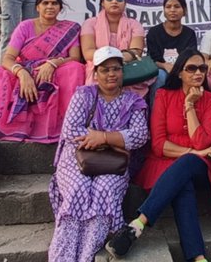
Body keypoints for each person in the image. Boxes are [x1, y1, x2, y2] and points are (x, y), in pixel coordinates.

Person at [106, 47, 211, 262]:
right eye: (191, 68)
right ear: (179, 72)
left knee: (188, 163)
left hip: (201, 165)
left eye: (202, 68)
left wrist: (190, 106)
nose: (198, 73)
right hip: (164, 161)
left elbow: (202, 142)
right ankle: (198, 258)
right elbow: (158, 144)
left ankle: (138, 224)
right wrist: (194, 150)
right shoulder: (164, 95)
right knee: (182, 186)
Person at [46, 46, 148, 262]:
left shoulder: (133, 101)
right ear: (95, 73)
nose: (111, 74)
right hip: (77, 158)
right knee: (77, 189)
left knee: (105, 190)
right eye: (105, 70)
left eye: (116, 69)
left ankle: (86, 254)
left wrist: (102, 138)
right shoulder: (84, 95)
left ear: (122, 72)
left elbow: (140, 135)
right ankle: (63, 257)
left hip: (114, 163)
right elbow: (71, 131)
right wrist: (116, 140)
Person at [0, 0, 85, 144]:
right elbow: (8, 58)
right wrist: (22, 74)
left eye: (54, 3)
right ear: (37, 7)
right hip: (24, 71)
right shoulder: (25, 26)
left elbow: (75, 58)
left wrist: (52, 63)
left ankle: (67, 125)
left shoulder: (70, 29)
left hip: (53, 73)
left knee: (75, 69)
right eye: (45, 3)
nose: (50, 7)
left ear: (60, 8)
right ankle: (0, 126)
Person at [81, 0, 149, 90]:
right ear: (102, 2)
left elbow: (136, 52)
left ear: (125, 3)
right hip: (99, 69)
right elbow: (88, 53)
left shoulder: (134, 25)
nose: (114, 1)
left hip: (127, 69)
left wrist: (115, 63)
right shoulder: (90, 23)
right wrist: (112, 61)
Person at [146, 0, 199, 88]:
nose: (172, 10)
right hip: (162, 69)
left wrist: (179, 69)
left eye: (177, 6)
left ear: (184, 10)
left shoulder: (189, 33)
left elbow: (191, 57)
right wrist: (164, 65)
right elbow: (152, 60)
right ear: (164, 10)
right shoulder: (154, 32)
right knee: (161, 76)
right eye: (168, 7)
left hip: (184, 70)